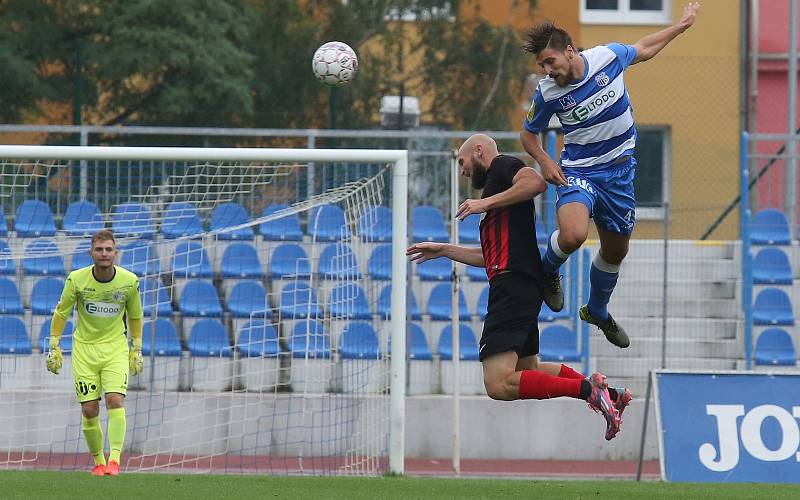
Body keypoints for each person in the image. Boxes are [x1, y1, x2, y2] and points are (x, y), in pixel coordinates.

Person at [407, 134, 629, 440]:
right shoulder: (499, 194)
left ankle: (589, 391)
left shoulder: (501, 168)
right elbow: (492, 256)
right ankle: (607, 393)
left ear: (480, 151)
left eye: (462, 161)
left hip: (512, 287)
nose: (462, 171)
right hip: (519, 284)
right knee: (529, 368)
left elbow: (536, 183)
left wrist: (483, 202)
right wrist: (445, 249)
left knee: (498, 384)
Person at [520, 3, 701, 349]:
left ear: (569, 51)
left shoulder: (608, 57)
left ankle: (598, 311)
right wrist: (544, 160)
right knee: (572, 235)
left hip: (618, 174)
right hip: (580, 171)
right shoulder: (547, 93)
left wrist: (680, 27)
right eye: (542, 64)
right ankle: (547, 271)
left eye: (550, 61)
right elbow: (528, 135)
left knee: (616, 251)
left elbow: (644, 48)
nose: (547, 70)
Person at [45, 229, 144, 476]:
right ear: (91, 252)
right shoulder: (76, 280)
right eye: (99, 249)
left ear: (115, 252)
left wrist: (136, 347)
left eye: (108, 249)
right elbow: (61, 312)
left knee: (115, 400)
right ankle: (99, 462)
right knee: (89, 408)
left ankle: (115, 460)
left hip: (115, 349)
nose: (104, 254)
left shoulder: (129, 281)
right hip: (84, 350)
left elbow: (135, 315)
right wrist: (54, 343)